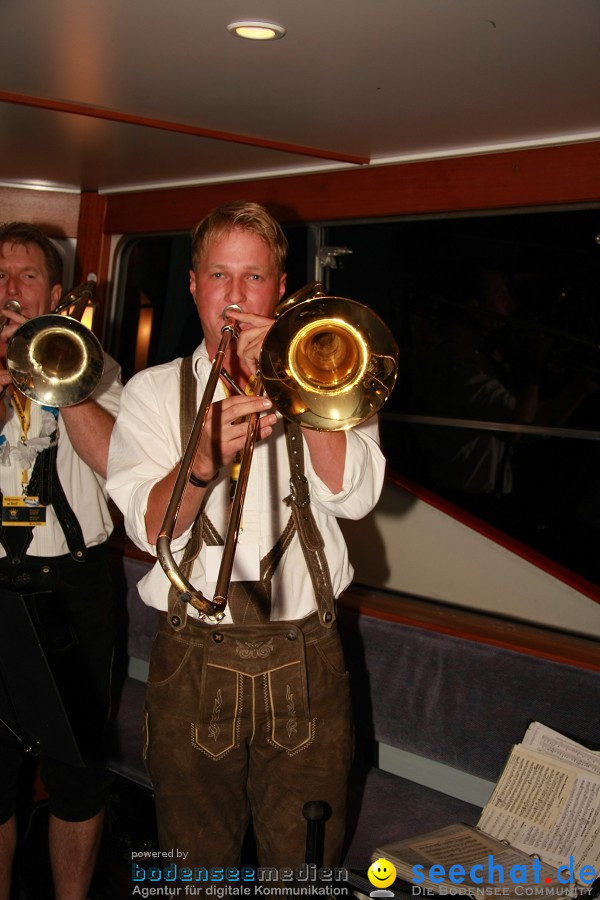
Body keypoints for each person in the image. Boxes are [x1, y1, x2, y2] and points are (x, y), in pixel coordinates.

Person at [106, 201, 386, 874]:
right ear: (196, 284)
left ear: (279, 290)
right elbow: (149, 532)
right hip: (192, 655)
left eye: (253, 278)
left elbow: (357, 497)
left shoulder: (331, 374)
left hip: (307, 654)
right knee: (193, 870)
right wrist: (201, 463)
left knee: (303, 870)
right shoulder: (151, 393)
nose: (236, 297)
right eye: (220, 277)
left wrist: (300, 387)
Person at [0, 222, 122, 900]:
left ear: (51, 294)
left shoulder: (95, 366)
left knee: (76, 770)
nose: (10, 291)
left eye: (25, 278)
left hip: (70, 587)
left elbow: (115, 465)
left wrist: (57, 379)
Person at [409, 263, 594, 525]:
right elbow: (516, 429)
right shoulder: (456, 363)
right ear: (474, 307)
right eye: (501, 295)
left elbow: (534, 422)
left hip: (482, 499)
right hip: (461, 502)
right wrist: (533, 362)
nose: (512, 304)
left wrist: (582, 387)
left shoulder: (480, 357)